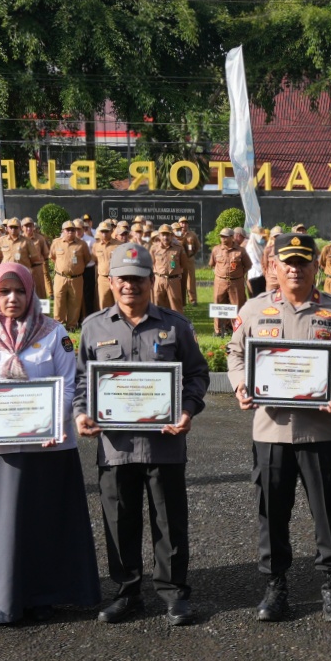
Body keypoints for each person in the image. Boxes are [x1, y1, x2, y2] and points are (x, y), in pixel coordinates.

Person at [223, 234, 331, 623]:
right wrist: (239, 383)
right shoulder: (254, 310)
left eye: (303, 262)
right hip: (270, 431)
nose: (295, 268)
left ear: (315, 267)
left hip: (321, 431)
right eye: (288, 262)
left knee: (327, 512)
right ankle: (276, 586)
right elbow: (235, 352)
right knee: (272, 512)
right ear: (274, 266)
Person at [72, 244, 213, 626]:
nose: (130, 286)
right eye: (123, 279)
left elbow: (198, 374)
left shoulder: (175, 326)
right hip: (115, 447)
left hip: (164, 443)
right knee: (120, 520)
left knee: (169, 521)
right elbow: (82, 380)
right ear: (111, 281)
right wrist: (81, 412)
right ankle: (127, 592)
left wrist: (187, 410)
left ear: (151, 281)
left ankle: (173, 593)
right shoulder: (93, 327)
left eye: (138, 278)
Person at [0, 263, 101, 624]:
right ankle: (0, 599)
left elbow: (70, 382)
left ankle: (45, 595)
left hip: (48, 447)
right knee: (0, 526)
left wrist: (54, 420)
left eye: (19, 291)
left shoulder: (54, 333)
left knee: (44, 521)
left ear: (31, 292)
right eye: (4, 292)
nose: (12, 299)